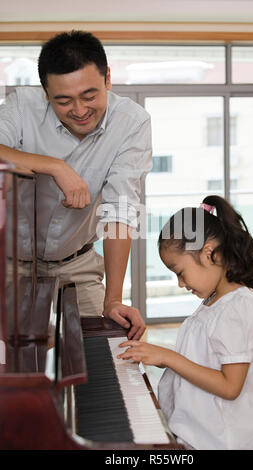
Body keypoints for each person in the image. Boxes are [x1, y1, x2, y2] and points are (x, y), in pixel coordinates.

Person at [0, 31, 152, 340]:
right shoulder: (21, 106)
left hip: (78, 266)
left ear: (108, 78)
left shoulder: (132, 123)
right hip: (10, 266)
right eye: (64, 101)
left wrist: (113, 299)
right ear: (45, 92)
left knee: (97, 357)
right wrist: (55, 167)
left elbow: (119, 212)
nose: (80, 111)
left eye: (89, 96)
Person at [118, 195, 253, 450]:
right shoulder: (216, 302)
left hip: (220, 441)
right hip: (198, 435)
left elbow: (230, 386)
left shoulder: (238, 307)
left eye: (179, 272)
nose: (180, 283)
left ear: (209, 252)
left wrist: (166, 357)